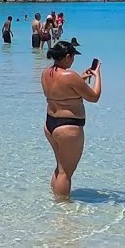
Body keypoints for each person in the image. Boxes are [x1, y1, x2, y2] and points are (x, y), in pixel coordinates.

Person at [40, 40, 100, 199]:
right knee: (66, 172)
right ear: (67, 57)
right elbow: (94, 97)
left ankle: (55, 201)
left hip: (50, 123)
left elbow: (61, 91)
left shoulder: (46, 72)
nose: (73, 60)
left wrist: (81, 79)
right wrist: (97, 76)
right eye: (73, 57)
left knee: (60, 168)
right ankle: (63, 211)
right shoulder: (70, 76)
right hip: (68, 127)